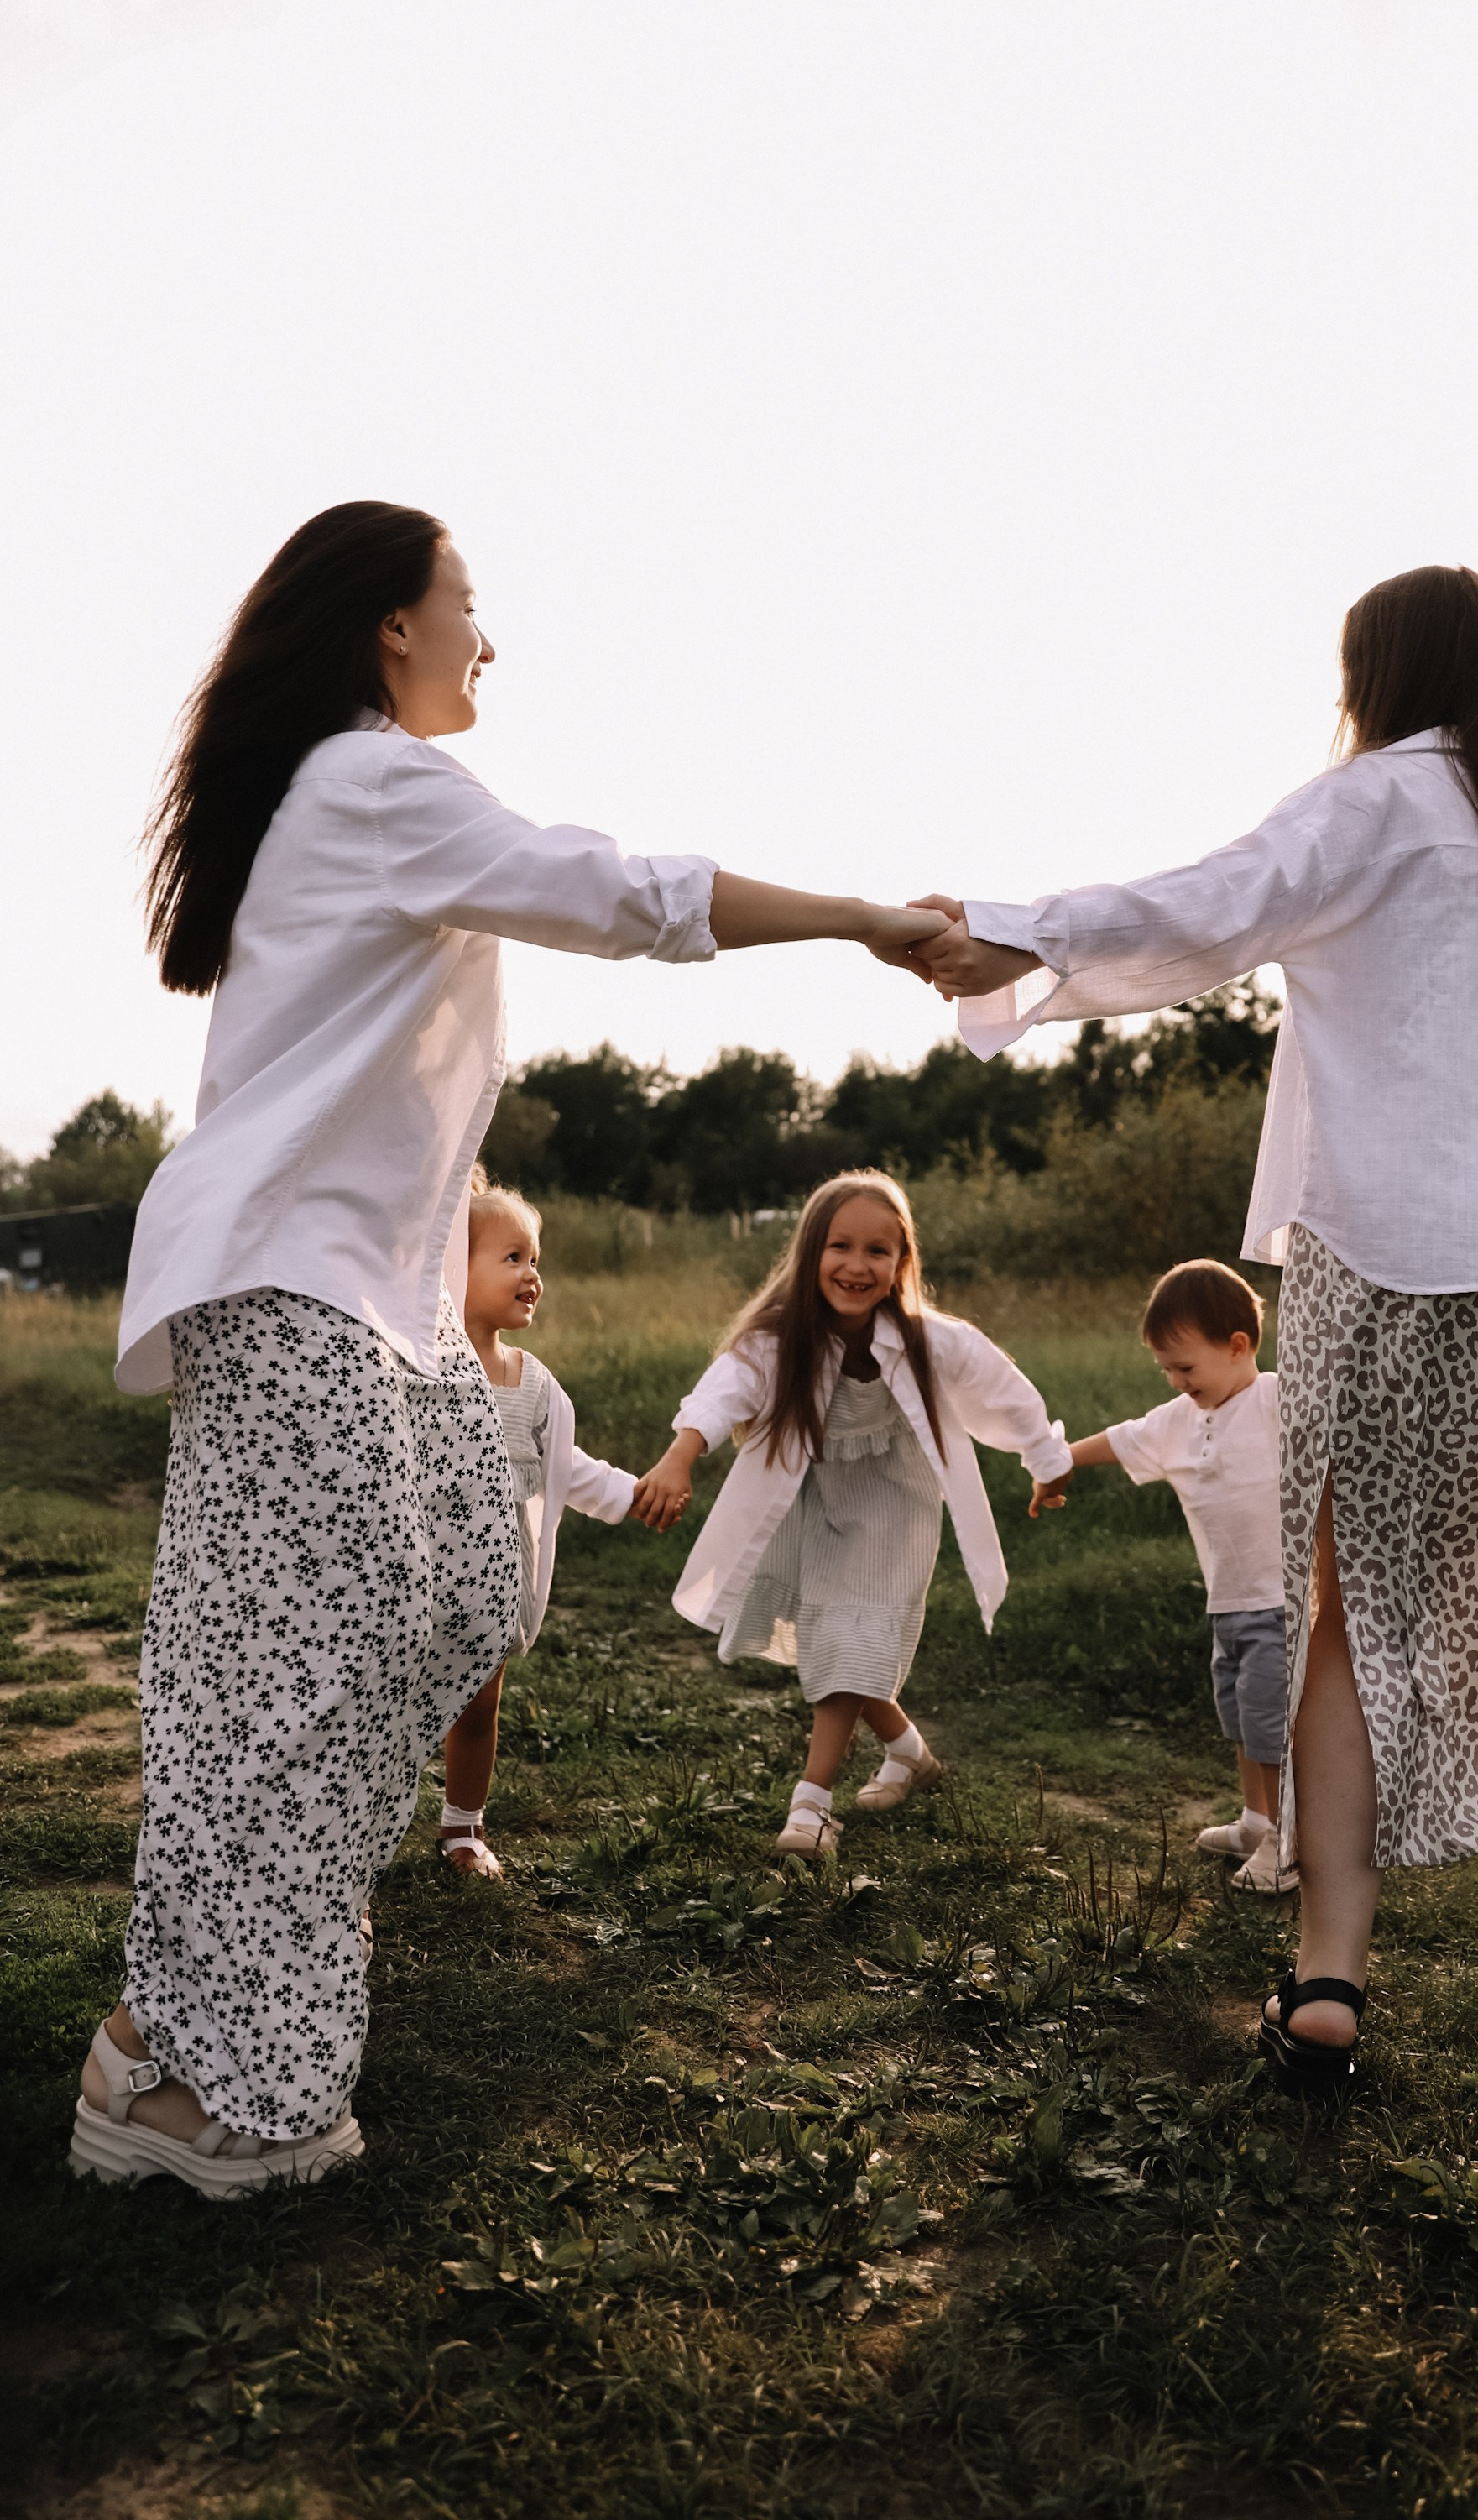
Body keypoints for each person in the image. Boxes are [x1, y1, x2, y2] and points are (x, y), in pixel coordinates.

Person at [70, 502, 949, 2198]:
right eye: (468, 604)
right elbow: (612, 889)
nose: (488, 638)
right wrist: (861, 918)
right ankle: (192, 2084)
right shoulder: (373, 782)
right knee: (288, 1691)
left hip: (369, 1308)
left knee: (465, 1593)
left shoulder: (358, 798)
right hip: (295, 1293)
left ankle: (193, 2036)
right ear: (389, 627)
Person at [908, 564, 1478, 2100]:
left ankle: (1331, 1980)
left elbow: (1201, 905)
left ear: (1372, 675)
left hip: (1397, 1254)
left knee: (1347, 1610)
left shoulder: (1374, 804)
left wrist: (1007, 934)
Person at [632, 1169, 1073, 1855]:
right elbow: (727, 1389)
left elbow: (1004, 1391)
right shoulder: (783, 1338)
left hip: (897, 1508)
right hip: (815, 1503)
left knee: (852, 1629)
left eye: (878, 1251)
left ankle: (810, 1810)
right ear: (813, 1253)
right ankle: (909, 1753)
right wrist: (680, 1455)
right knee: (835, 1633)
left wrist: (1046, 1462)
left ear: (901, 1262)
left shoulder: (929, 1338)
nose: (857, 1265)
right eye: (841, 1246)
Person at [1064, 1258, 1291, 1896]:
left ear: (1238, 1346)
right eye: (1165, 1368)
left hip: (1282, 1603)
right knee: (1242, 1717)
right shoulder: (1178, 1419)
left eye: (1184, 1366)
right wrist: (1058, 1464)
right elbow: (1120, 1438)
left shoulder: (1273, 1398)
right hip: (1229, 1604)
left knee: (1271, 1725)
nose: (1174, 1379)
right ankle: (1254, 1821)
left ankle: (1285, 1840)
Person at [438, 1169, 638, 1882]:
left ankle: (463, 1829)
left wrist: (626, 1493)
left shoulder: (533, 1382)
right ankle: (359, 1835)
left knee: (479, 1713)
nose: (533, 1275)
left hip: (493, 1589)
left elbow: (563, 1466)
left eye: (535, 1260)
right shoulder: (422, 1371)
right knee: (394, 1718)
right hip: (419, 1584)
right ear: (449, 1268)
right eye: (512, 1257)